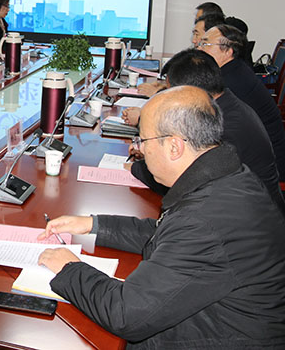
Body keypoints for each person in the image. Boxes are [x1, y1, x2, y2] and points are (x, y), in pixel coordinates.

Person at [39, 86, 285, 349]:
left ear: (174, 146)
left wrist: (69, 268)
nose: (140, 149)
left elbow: (126, 314)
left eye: (143, 140)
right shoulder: (228, 176)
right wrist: (94, 224)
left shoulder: (202, 222)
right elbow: (167, 233)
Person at [126, 49, 284, 213]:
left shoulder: (222, 128)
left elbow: (184, 185)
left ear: (189, 92)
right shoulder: (224, 106)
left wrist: (136, 168)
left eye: (171, 92)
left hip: (249, 216)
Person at [198, 24, 285, 180]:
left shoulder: (230, 82)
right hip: (251, 156)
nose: (199, 48)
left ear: (228, 51)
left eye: (206, 44)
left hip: (262, 171)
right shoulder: (233, 70)